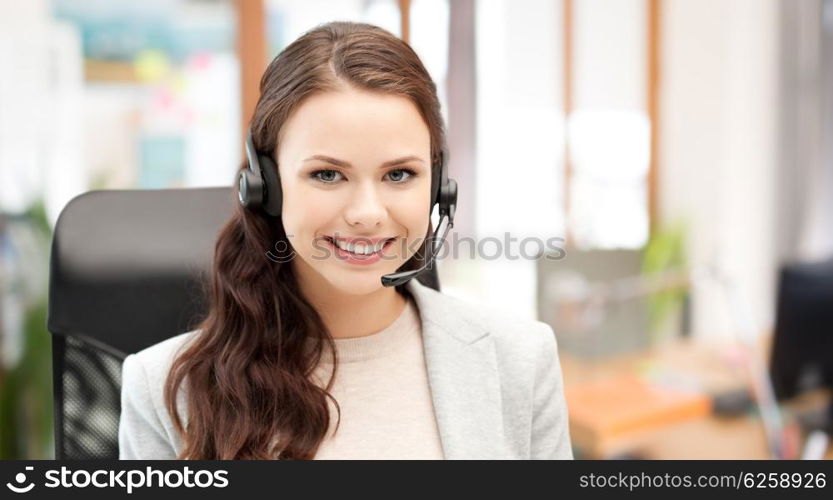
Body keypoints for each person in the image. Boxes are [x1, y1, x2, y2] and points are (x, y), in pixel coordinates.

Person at [118, 21, 572, 460]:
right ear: (266, 185)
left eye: (399, 174)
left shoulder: (521, 360)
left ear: (438, 187)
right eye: (327, 174)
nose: (367, 214)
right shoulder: (164, 390)